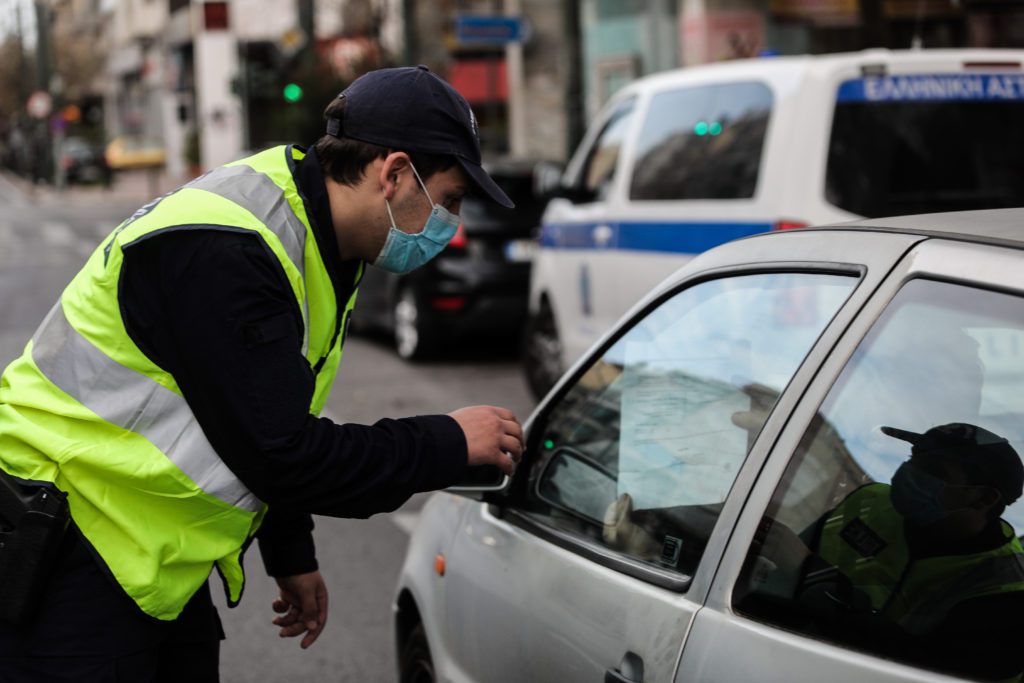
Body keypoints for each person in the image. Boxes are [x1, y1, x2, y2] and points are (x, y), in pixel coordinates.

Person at [0, 65, 524, 681]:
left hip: (143, 552)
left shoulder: (319, 233)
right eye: (452, 198)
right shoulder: (232, 251)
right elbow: (282, 451)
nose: (451, 221)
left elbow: (262, 409)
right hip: (67, 537)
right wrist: (448, 442)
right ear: (396, 173)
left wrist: (288, 548)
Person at [757, 422, 1024, 680]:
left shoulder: (1006, 586)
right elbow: (780, 575)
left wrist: (813, 573)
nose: (910, 470)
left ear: (984, 499)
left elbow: (915, 664)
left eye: (932, 470)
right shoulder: (869, 501)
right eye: (914, 458)